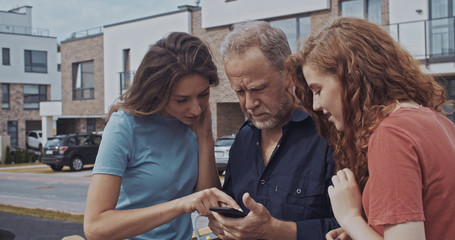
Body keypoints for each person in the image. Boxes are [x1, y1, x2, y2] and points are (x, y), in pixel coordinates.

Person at [286, 17, 455, 240]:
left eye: (318, 90)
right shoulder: (439, 122)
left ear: (351, 78)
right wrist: (363, 231)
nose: (316, 105)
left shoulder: (391, 135)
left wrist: (350, 218)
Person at [83, 32, 240, 240]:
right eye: (181, 100)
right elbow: (95, 227)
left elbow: (206, 197)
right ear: (157, 92)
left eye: (203, 95)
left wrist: (204, 137)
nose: (195, 109)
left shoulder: (197, 121)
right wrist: (180, 205)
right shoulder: (124, 127)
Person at [208, 21, 339, 240]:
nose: (249, 103)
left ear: (288, 74)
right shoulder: (243, 139)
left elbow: (352, 227)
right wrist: (224, 226)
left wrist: (279, 231)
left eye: (257, 89)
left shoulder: (328, 133)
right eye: (239, 92)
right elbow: (230, 208)